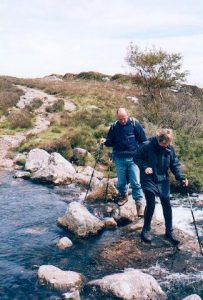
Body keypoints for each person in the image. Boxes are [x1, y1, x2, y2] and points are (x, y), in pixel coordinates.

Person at [134, 128, 188, 245]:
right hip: (148, 178)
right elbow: (136, 157)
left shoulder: (169, 148)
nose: (165, 146)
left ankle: (169, 232)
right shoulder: (146, 145)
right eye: (164, 144)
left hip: (163, 179)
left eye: (167, 144)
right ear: (159, 139)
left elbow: (175, 164)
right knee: (151, 203)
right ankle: (146, 230)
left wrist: (181, 177)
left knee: (166, 203)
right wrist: (144, 167)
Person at [100, 107, 147, 217]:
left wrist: (143, 154)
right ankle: (123, 195)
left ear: (128, 115)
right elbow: (110, 141)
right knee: (121, 182)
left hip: (134, 159)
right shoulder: (114, 126)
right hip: (119, 158)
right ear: (117, 117)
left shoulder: (135, 124)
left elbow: (144, 141)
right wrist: (105, 141)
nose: (122, 121)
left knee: (136, 182)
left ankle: (139, 204)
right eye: (120, 119)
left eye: (124, 118)